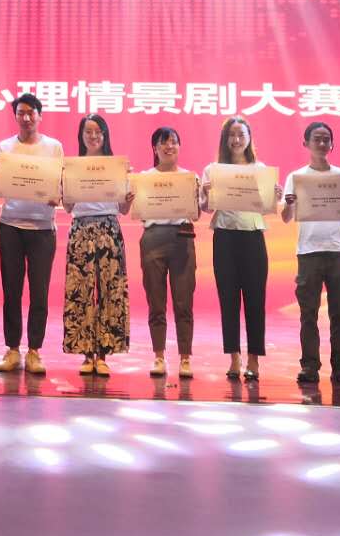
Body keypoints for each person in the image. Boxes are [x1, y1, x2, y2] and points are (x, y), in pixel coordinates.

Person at [281, 121, 340, 388]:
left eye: (326, 139)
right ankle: (309, 366)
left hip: (339, 251)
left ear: (332, 144)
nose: (321, 143)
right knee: (309, 313)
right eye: (316, 138)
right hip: (308, 252)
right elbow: (285, 217)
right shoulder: (296, 177)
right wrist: (289, 205)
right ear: (305, 143)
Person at [0, 92, 64, 375]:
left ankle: (35, 350)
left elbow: (60, 185)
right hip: (11, 225)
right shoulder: (4, 147)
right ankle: (12, 349)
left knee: (39, 292)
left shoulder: (54, 147)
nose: (26, 118)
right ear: (15, 116)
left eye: (31, 112)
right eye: (21, 113)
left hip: (43, 228)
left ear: (39, 115)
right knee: (11, 291)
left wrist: (57, 196)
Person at [206, 116, 280, 381]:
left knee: (255, 299)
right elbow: (205, 208)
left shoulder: (260, 170)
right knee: (228, 299)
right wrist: (205, 193)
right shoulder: (213, 170)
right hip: (224, 238)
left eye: (241, 135)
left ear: (249, 138)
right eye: (232, 135)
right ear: (225, 139)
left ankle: (254, 359)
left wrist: (274, 196)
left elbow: (267, 207)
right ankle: (234, 357)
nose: (236, 140)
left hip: (252, 238)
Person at [61, 113, 130, 377]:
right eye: (88, 131)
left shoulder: (116, 166)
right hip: (81, 229)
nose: (93, 136)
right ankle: (86, 354)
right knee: (81, 292)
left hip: (109, 228)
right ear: (81, 136)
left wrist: (130, 194)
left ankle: (102, 354)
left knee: (110, 291)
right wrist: (64, 186)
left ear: (105, 135)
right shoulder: (72, 166)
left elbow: (123, 208)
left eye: (97, 131)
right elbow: (68, 206)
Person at [136, 126, 200, 380]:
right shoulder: (144, 178)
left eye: (173, 141)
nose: (169, 146)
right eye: (163, 142)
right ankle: (159, 356)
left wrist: (198, 195)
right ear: (155, 148)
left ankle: (185, 358)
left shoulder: (189, 178)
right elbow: (137, 209)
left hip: (182, 238)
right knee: (156, 301)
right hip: (153, 238)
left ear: (179, 146)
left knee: (184, 301)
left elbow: (196, 214)